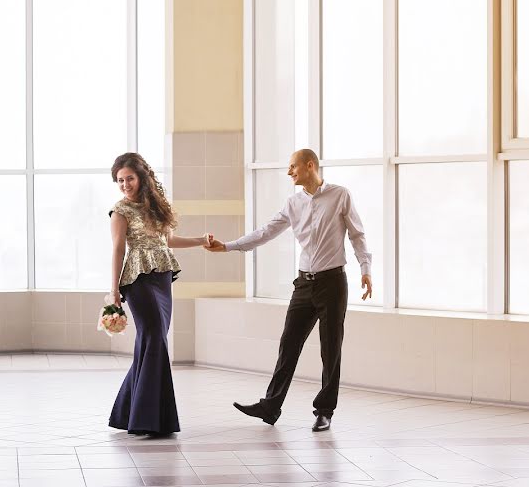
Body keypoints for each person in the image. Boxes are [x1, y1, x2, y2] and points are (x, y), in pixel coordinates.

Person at [204, 149, 372, 432]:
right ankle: (270, 406)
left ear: (310, 166)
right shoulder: (293, 203)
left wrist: (365, 269)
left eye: (293, 166)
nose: (289, 172)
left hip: (333, 284)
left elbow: (357, 234)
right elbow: (266, 231)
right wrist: (229, 246)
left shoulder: (340, 195)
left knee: (330, 349)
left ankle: (325, 410)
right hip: (304, 284)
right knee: (288, 344)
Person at [108, 152, 211, 435]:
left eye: (129, 178)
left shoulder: (156, 208)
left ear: (142, 177)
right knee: (154, 338)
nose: (125, 184)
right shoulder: (120, 211)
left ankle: (130, 413)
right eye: (120, 180)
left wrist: (200, 241)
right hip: (137, 279)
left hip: (162, 276)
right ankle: (149, 419)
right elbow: (118, 248)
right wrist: (114, 291)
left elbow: (168, 240)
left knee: (152, 341)